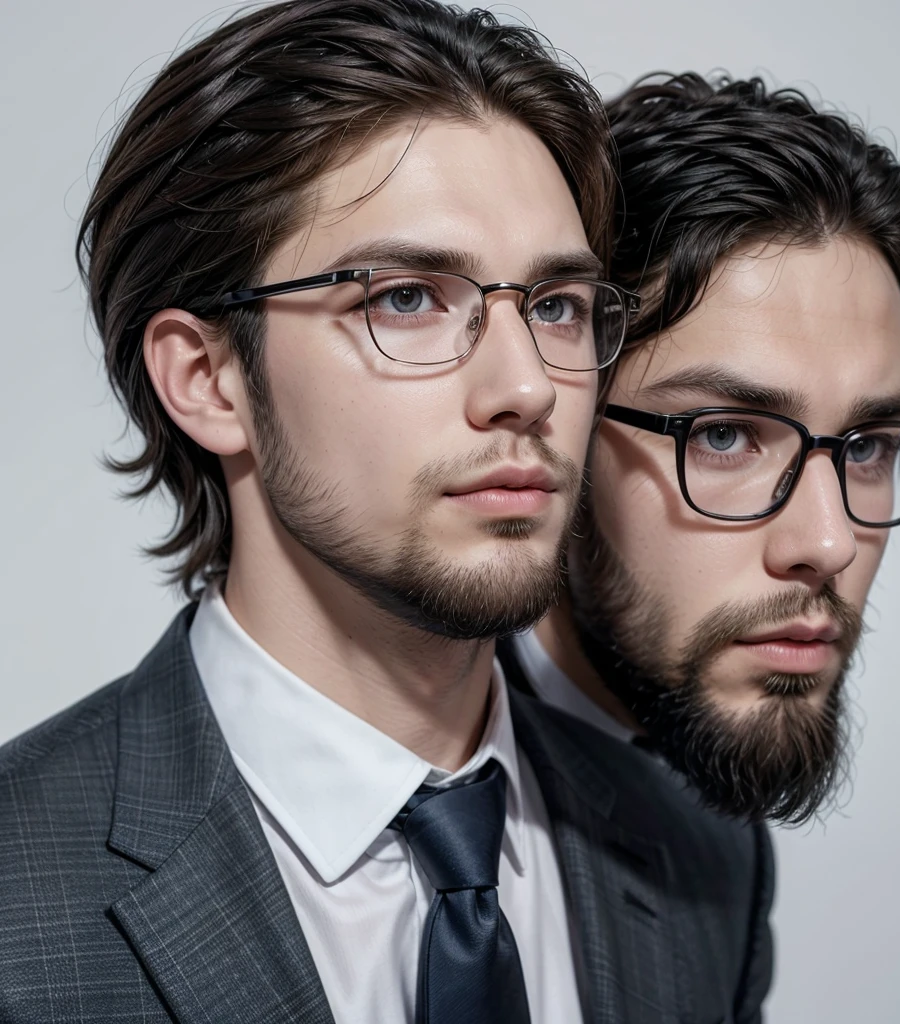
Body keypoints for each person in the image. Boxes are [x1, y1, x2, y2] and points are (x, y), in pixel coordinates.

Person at [0, 10, 771, 1024]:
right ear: (208, 379)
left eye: (555, 306)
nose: (527, 388)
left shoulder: (699, 851)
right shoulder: (21, 893)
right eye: (407, 298)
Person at [501, 72, 900, 826]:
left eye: (868, 446)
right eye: (725, 436)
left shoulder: (717, 856)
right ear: (563, 429)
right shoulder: (406, 762)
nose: (829, 543)